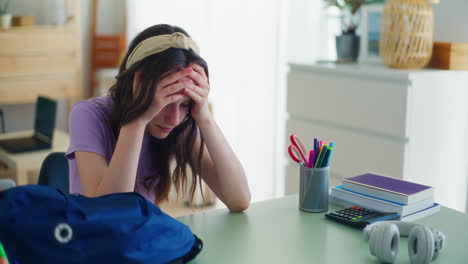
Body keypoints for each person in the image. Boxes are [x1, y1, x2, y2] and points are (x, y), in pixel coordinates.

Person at [66, 24, 250, 212]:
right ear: (136, 87)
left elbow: (239, 199)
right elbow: (109, 213)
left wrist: (205, 117)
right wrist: (137, 118)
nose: (174, 119)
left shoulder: (180, 125)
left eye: (185, 104)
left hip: (141, 237)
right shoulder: (87, 114)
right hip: (90, 238)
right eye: (165, 103)